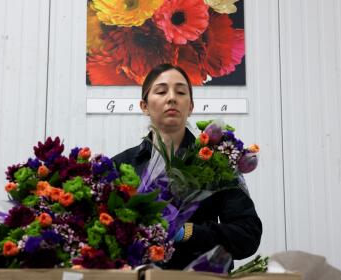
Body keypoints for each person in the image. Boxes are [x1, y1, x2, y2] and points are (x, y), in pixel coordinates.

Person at [112, 64, 262, 270]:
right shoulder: (121, 165)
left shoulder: (218, 164)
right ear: (144, 106)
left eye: (181, 91)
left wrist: (188, 231)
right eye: (161, 91)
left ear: (190, 106)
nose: (172, 97)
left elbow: (247, 235)